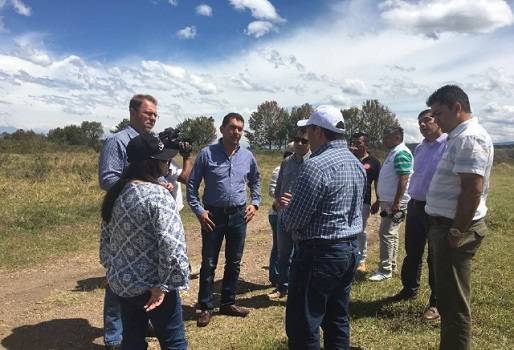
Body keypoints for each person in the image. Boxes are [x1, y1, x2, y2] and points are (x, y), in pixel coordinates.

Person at [281, 105, 366, 349]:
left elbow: (292, 221)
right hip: (348, 250)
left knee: (303, 324)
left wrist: (285, 208)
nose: (306, 135)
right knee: (336, 318)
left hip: (319, 253)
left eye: (308, 129)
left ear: (318, 131)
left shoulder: (315, 166)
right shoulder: (356, 163)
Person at [100, 133, 189, 350]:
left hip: (124, 284)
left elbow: (106, 242)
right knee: (174, 342)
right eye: (164, 160)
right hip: (153, 288)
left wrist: (113, 272)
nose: (167, 164)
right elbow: (173, 247)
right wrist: (164, 286)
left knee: (132, 340)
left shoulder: (116, 193)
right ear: (152, 163)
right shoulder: (158, 196)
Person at [425, 85, 493, 349]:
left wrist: (457, 231)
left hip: (454, 230)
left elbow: (472, 189)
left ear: (457, 108)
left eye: (439, 114)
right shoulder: (459, 136)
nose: (436, 121)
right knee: (448, 299)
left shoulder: (469, 138)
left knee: (453, 304)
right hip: (447, 227)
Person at [187, 112, 261, 327]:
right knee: (209, 263)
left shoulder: (247, 156)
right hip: (212, 216)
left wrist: (254, 203)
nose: (236, 132)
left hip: (239, 215)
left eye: (240, 128)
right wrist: (200, 211)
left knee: (234, 261)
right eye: (232, 128)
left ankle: (228, 302)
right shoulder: (207, 154)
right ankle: (205, 307)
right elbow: (192, 185)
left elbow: (256, 180)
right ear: (222, 129)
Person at [98, 94, 159, 349]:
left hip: (143, 216)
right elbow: (107, 178)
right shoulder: (117, 142)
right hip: (123, 215)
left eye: (155, 114)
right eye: (148, 113)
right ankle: (114, 335)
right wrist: (140, 188)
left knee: (142, 271)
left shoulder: (150, 143)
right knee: (119, 272)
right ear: (132, 112)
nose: (152, 118)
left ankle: (139, 323)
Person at [392, 110, 447, 321]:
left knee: (435, 257)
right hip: (416, 205)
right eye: (420, 122)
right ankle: (409, 288)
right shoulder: (421, 147)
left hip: (436, 208)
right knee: (412, 251)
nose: (423, 125)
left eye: (427, 120)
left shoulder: (448, 144)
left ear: (438, 120)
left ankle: (436, 303)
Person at [268, 128, 311, 299]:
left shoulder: (315, 162)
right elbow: (279, 186)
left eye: (304, 141)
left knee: (302, 254)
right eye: (296, 140)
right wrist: (278, 203)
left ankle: (300, 287)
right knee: (283, 253)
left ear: (310, 143)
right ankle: (282, 287)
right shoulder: (287, 162)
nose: (299, 143)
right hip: (284, 216)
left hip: (304, 218)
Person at [368, 126, 413, 282]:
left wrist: (397, 202)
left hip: (395, 203)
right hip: (389, 202)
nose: (384, 140)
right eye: (384, 136)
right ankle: (390, 266)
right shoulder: (394, 153)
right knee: (390, 234)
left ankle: (385, 270)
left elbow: (404, 179)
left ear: (397, 138)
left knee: (387, 234)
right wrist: (380, 200)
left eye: (387, 136)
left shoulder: (401, 153)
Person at [349, 132, 381, 273]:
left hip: (364, 201)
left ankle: (361, 260)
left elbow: (377, 184)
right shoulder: (349, 158)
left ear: (365, 144)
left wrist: (378, 201)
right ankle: (349, 257)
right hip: (346, 200)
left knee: (360, 230)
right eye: (354, 142)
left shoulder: (373, 162)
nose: (355, 145)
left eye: (359, 143)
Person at [267, 144, 294, 287]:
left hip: (287, 212)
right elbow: (272, 190)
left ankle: (282, 277)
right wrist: (283, 199)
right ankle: (276, 276)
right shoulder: (280, 169)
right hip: (277, 213)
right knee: (279, 247)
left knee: (285, 248)